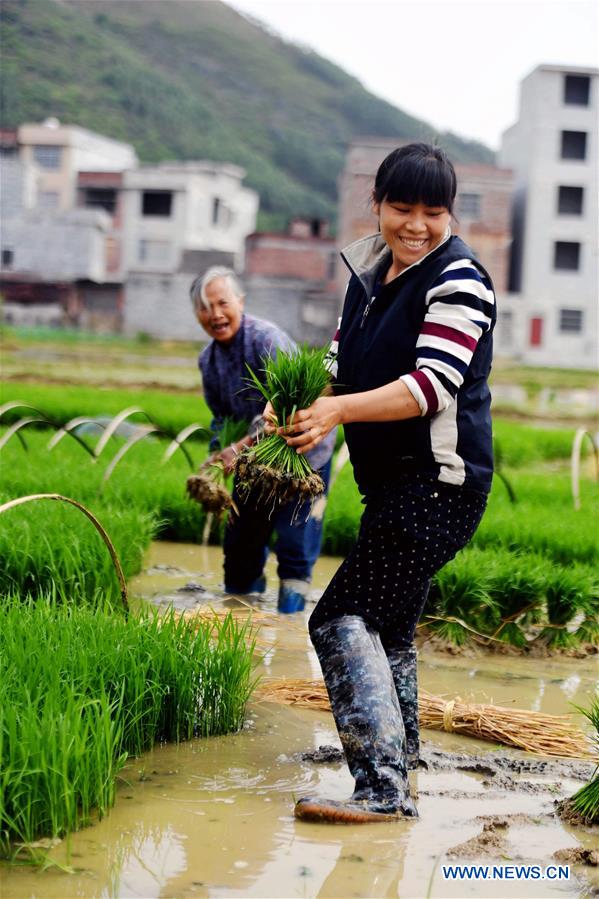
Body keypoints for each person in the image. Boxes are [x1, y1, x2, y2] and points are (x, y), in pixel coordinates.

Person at [276, 143, 496, 822]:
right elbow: (340, 363)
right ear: (376, 205)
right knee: (389, 631)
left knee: (339, 618)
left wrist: (338, 408)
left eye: (433, 210)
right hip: (391, 489)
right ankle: (405, 768)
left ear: (448, 214)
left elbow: (430, 385)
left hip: (437, 487)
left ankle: (379, 788)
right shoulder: (367, 275)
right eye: (402, 207)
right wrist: (295, 396)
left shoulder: (458, 280)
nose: (417, 223)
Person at [191, 266, 336, 613]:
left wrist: (235, 448)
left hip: (299, 454)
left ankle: (289, 622)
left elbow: (285, 411)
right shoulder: (207, 360)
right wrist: (217, 453)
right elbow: (221, 418)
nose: (215, 314)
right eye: (205, 308)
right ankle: (241, 624)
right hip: (253, 466)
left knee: (294, 545)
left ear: (240, 301)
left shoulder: (266, 341)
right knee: (241, 546)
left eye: (222, 303)